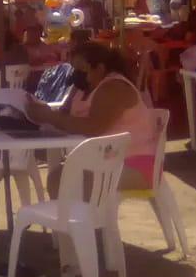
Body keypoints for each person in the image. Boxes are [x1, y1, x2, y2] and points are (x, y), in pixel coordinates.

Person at [26, 42, 157, 193]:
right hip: (105, 159)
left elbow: (93, 127)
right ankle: (80, 215)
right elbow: (64, 114)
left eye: (81, 70)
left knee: (62, 181)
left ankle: (89, 216)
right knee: (59, 178)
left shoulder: (113, 87)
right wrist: (42, 111)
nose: (76, 74)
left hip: (132, 163)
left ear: (99, 69)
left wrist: (50, 117)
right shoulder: (84, 87)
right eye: (73, 68)